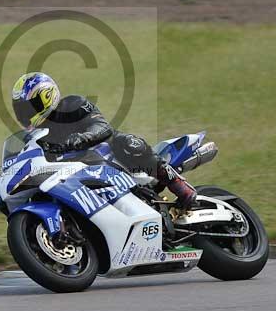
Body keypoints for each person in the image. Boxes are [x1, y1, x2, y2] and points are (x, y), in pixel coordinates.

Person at [11, 72, 197, 209]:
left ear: (46, 96)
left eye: (28, 108)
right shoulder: (38, 135)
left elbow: (103, 127)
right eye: (21, 110)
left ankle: (179, 185)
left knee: (126, 142)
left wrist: (83, 138)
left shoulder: (72, 104)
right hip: (74, 177)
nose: (24, 114)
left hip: (107, 157)